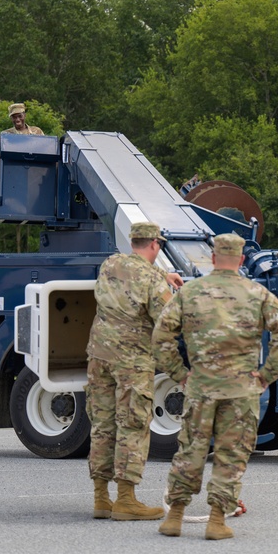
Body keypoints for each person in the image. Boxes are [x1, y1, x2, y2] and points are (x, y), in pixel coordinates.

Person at [153, 233, 278, 540]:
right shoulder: (257, 294)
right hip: (242, 391)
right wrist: (267, 375)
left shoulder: (189, 293)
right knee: (232, 454)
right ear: (242, 260)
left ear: (213, 259)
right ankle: (216, 520)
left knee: (191, 449)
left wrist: (179, 373)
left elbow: (161, 336)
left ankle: (174, 516)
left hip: (200, 387)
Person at [85, 221, 185, 521]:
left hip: (98, 355)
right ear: (155, 244)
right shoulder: (153, 282)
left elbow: (134, 274)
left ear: (133, 242)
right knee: (132, 425)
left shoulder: (110, 264)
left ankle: (101, 499)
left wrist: (162, 276)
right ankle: (126, 500)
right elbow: (169, 321)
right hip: (132, 361)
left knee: (102, 425)